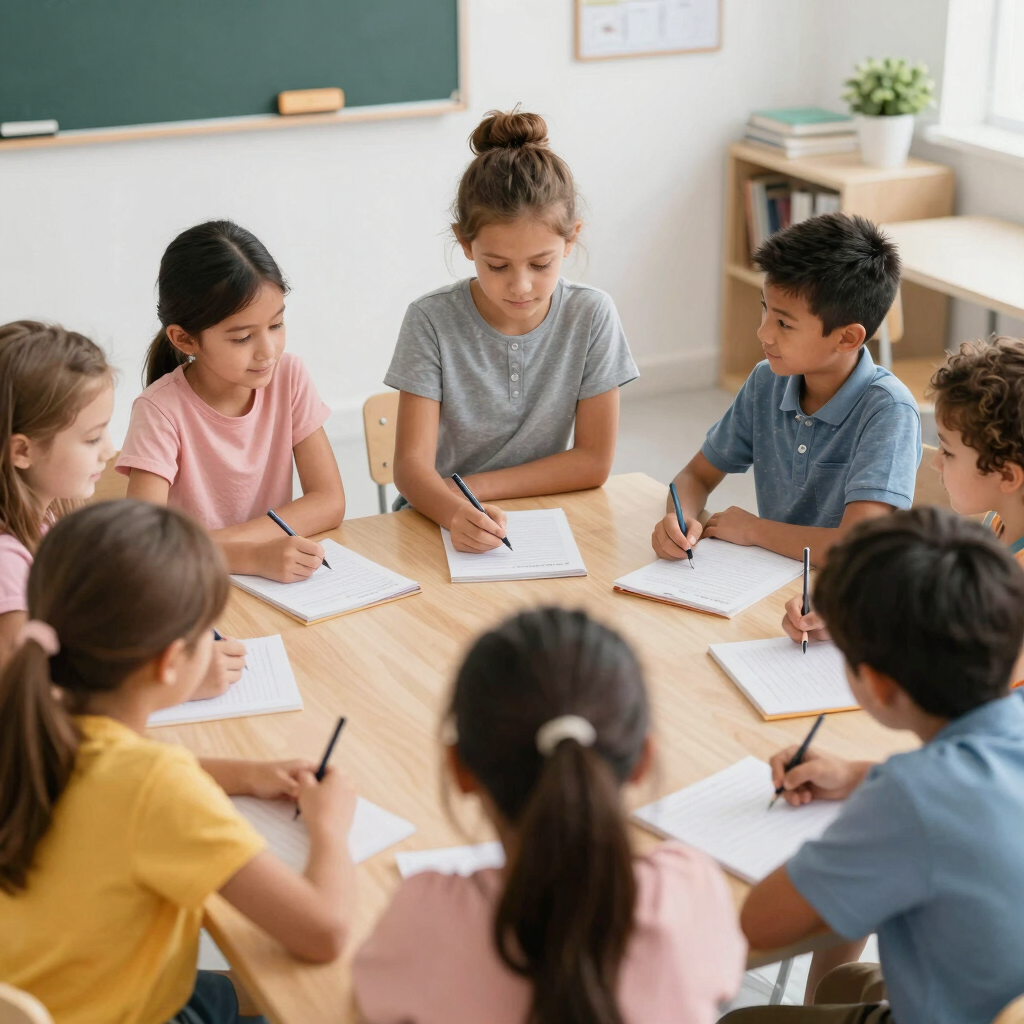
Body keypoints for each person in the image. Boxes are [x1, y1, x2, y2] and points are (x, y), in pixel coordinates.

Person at [0, 500, 357, 1024]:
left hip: (48, 992)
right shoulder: (154, 786)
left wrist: (245, 774)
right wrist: (330, 827)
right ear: (171, 662)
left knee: (240, 985)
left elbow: (120, 780)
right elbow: (324, 932)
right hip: (125, 1011)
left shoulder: (30, 720)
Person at [353, 606, 745, 1023]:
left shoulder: (426, 920)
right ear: (641, 762)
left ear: (460, 769)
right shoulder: (689, 892)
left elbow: (372, 1002)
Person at [722, 508, 1024, 1023]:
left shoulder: (909, 798)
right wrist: (857, 775)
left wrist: (874, 799)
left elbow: (757, 924)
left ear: (878, 685)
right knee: (846, 980)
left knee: (740, 1019)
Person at [387, 109, 638, 552]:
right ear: (465, 244)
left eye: (541, 264)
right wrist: (455, 511)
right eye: (497, 265)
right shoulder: (431, 320)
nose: (521, 286)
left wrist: (469, 489)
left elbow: (593, 462)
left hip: (536, 513)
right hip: (440, 518)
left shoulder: (592, 314)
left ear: (571, 239)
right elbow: (410, 469)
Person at [652, 214, 920, 566]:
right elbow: (696, 475)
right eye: (765, 309)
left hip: (842, 597)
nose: (763, 333)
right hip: (776, 574)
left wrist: (755, 530)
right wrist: (678, 519)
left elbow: (856, 547)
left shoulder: (888, 410)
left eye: (784, 323)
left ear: (847, 337)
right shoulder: (768, 381)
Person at [118, 220, 345, 582]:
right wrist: (249, 556)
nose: (267, 352)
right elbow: (144, 547)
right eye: (242, 338)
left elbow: (329, 502)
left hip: (268, 581)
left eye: (276, 325)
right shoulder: (159, 410)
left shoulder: (288, 376)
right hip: (192, 590)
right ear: (185, 339)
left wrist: (209, 548)